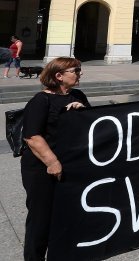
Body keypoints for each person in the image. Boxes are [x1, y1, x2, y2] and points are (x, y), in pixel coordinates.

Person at [21, 57, 90, 260]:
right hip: (42, 168)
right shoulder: (41, 100)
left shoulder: (77, 95)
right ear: (59, 76)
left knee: (66, 215)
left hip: (71, 165)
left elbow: (94, 125)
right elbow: (32, 137)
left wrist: (83, 112)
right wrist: (52, 162)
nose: (80, 73)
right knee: (41, 218)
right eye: (75, 70)